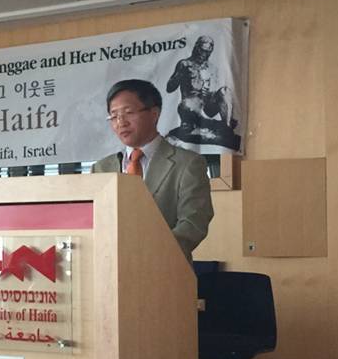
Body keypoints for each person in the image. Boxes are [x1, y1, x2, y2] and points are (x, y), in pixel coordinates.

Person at [92, 79, 213, 260]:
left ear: (154, 114)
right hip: (109, 267)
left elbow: (193, 223)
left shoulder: (188, 163)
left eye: (128, 113)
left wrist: (147, 254)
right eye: (114, 116)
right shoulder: (101, 168)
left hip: (164, 268)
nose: (121, 122)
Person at [166, 36, 240, 151]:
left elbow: (214, 92)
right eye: (202, 50)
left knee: (225, 91)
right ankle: (211, 123)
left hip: (206, 107)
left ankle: (226, 126)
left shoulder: (213, 68)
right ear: (196, 48)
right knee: (188, 103)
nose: (204, 54)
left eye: (207, 52)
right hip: (189, 106)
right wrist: (180, 75)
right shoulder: (184, 64)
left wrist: (209, 91)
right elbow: (169, 88)